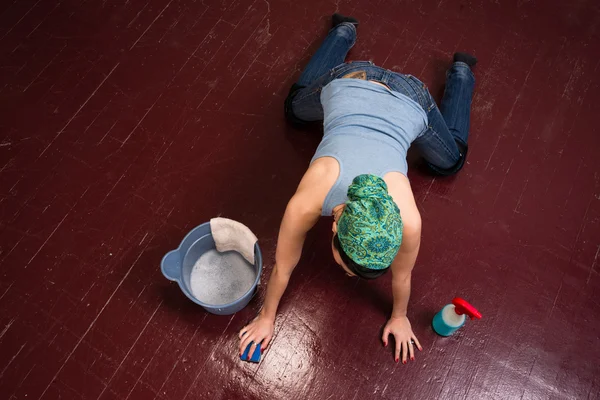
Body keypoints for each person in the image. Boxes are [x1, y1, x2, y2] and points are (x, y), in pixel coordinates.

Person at [238, 13, 476, 364]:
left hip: (402, 97)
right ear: (334, 225)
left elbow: (402, 274)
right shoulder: (306, 204)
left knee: (451, 160)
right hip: (353, 82)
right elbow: (283, 267)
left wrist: (399, 316)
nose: (346, 275)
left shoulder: (406, 223)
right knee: (295, 107)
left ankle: (348, 31)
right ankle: (454, 67)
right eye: (348, 268)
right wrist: (266, 317)